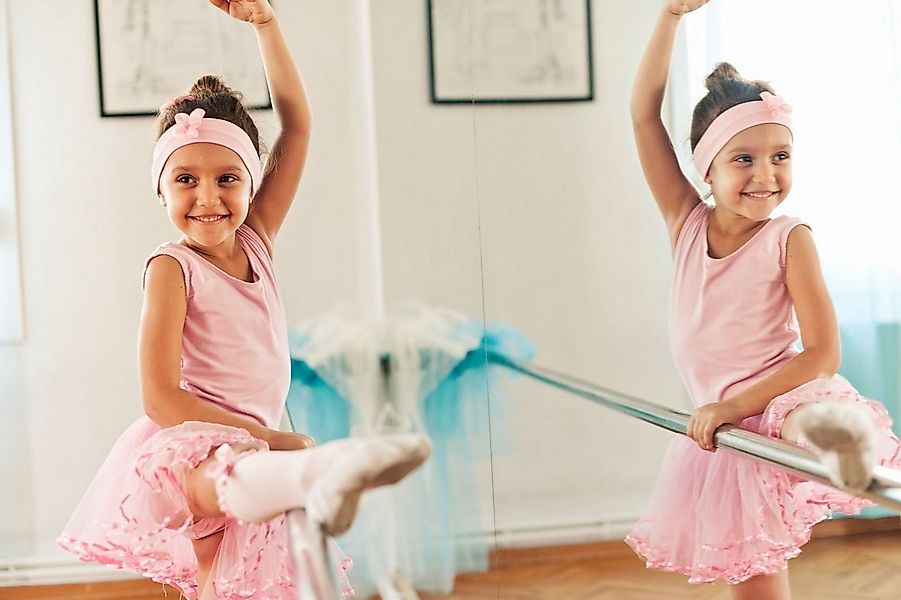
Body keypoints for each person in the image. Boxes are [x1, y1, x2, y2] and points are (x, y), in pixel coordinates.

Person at [57, 1, 430, 598]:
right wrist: (274, 441)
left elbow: (299, 126)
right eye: (186, 180)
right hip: (194, 442)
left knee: (238, 585)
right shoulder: (170, 268)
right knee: (225, 478)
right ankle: (314, 471)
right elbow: (160, 397)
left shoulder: (257, 241)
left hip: (262, 443)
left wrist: (267, 25)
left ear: (253, 180)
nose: (208, 196)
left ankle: (303, 479)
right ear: (161, 190)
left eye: (227, 177)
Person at [624, 1, 901, 598]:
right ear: (706, 168)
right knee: (754, 584)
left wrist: (735, 407)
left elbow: (821, 354)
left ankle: (839, 436)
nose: (766, 175)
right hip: (724, 429)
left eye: (781, 156)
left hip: (783, 396)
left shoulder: (789, 237)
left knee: (804, 419)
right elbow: (644, 116)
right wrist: (670, 17)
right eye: (743, 160)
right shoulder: (686, 224)